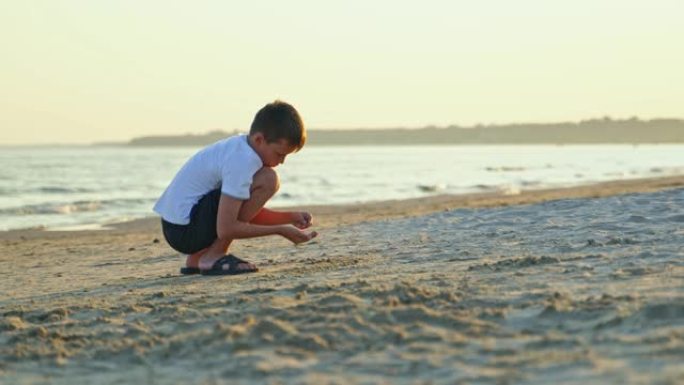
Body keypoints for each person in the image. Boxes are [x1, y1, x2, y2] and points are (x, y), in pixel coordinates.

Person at [153, 100, 318, 275]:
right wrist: (281, 230)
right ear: (259, 139)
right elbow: (227, 227)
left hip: (177, 227)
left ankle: (198, 258)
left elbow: (238, 210)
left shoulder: (239, 147)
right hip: (185, 231)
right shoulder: (243, 161)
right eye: (279, 154)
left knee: (264, 179)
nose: (281, 162)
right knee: (269, 179)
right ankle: (214, 255)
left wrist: (289, 217)